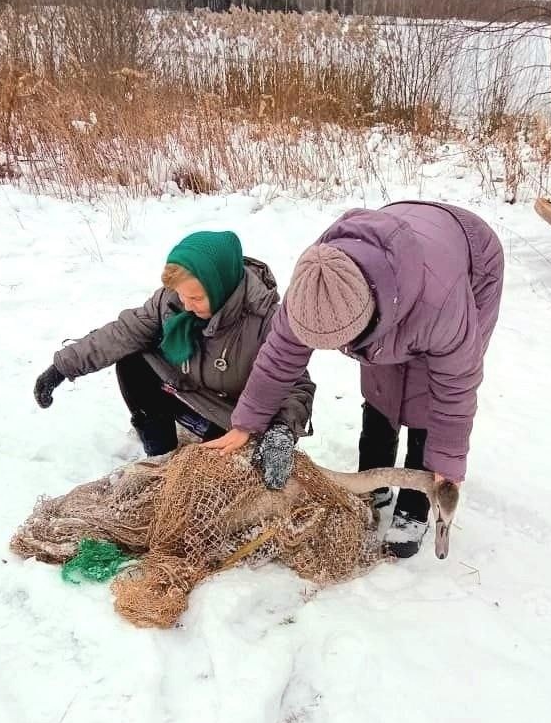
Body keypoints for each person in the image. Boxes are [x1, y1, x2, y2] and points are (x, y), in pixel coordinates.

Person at [202, 201, 504, 558]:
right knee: (381, 382)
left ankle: (414, 507)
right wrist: (246, 423)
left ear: (370, 315)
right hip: (395, 259)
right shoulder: (315, 285)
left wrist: (448, 465)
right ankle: (373, 482)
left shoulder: (442, 307)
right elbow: (280, 356)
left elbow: (455, 388)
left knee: (425, 399)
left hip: (470, 260)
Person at [33, 230, 315, 480]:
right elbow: (122, 333)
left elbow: (295, 385)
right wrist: (62, 367)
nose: (186, 305)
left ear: (221, 287)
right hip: (187, 393)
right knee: (133, 360)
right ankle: (160, 453)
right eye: (182, 296)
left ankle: (208, 441)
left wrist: (282, 431)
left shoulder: (265, 320)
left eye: (196, 298)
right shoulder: (171, 301)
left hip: (234, 419)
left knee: (215, 478)